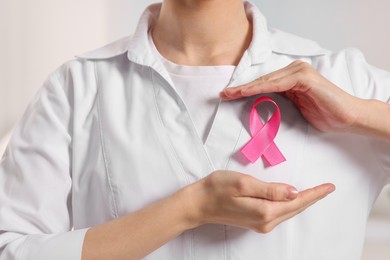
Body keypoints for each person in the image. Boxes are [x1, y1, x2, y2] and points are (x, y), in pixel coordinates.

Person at [0, 0, 389, 259]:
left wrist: (359, 114)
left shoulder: (342, 79)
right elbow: (11, 248)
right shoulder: (77, 87)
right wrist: (188, 209)